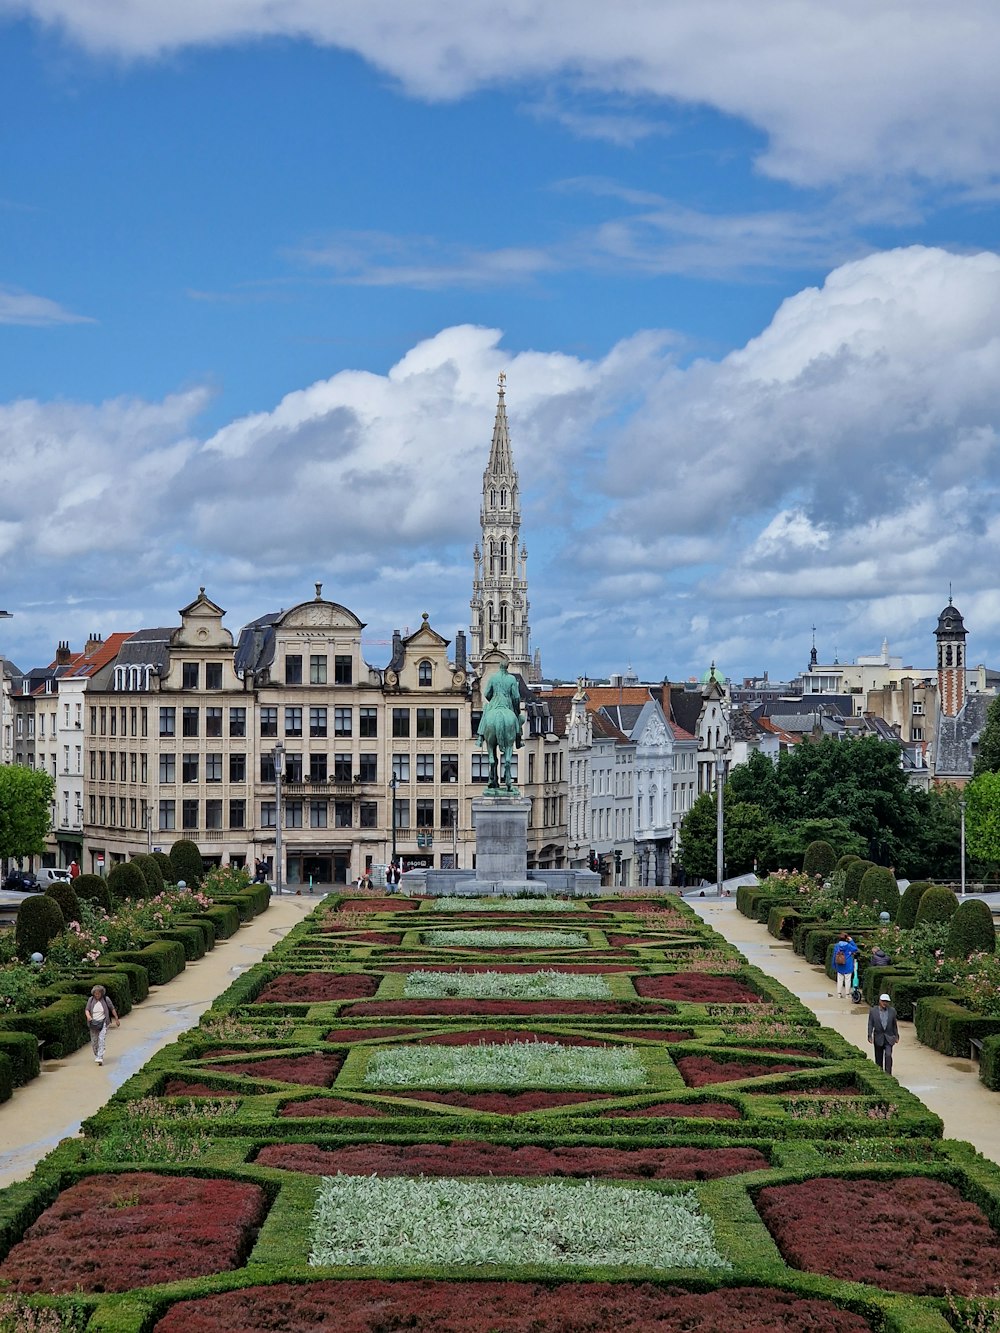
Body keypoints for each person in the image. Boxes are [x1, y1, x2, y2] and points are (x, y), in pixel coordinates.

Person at [85, 984, 120, 1066]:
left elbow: (112, 1009)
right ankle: (97, 1054)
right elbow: (87, 1010)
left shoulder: (106, 999)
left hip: (103, 1022)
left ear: (102, 993)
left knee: (101, 1039)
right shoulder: (91, 999)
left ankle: (100, 1057)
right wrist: (89, 1016)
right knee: (94, 1042)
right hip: (93, 1023)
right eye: (95, 993)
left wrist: (116, 1019)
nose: (97, 995)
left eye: (98, 993)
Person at [868, 992, 900, 1073]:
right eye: (883, 1001)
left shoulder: (892, 1011)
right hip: (878, 1037)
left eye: (886, 1001)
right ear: (880, 1001)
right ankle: (880, 1073)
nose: (885, 1003)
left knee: (888, 1055)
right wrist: (869, 1035)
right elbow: (870, 1024)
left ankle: (888, 1074)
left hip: (889, 1037)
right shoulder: (873, 1011)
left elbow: (894, 1024)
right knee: (878, 1059)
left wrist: (896, 1036)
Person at [833, 931, 859, 999]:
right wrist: (851, 941)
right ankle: (847, 994)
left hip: (839, 964)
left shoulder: (836, 946)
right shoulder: (848, 945)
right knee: (848, 980)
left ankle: (839, 994)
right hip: (848, 964)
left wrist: (834, 964)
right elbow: (856, 949)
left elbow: (834, 956)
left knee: (840, 979)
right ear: (846, 938)